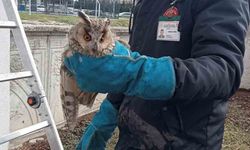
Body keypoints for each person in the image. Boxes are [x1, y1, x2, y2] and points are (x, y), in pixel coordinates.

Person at [64, 0, 250, 149]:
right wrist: (108, 112)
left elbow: (224, 70)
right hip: (132, 136)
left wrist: (140, 73)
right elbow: (132, 63)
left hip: (183, 139)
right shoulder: (147, 4)